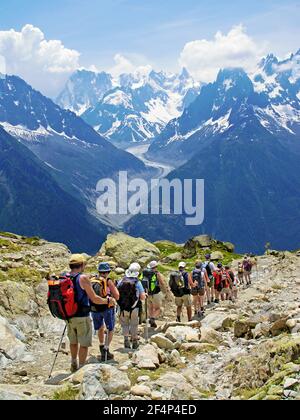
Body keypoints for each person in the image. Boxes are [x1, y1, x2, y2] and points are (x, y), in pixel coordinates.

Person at [66, 255, 116, 373]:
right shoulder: (82, 278)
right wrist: (108, 301)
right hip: (81, 315)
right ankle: (81, 369)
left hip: (68, 315)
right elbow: (94, 298)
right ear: (82, 265)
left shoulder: (66, 276)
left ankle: (73, 363)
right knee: (83, 343)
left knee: (73, 341)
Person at [90, 263, 120, 362]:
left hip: (94, 308)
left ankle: (101, 345)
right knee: (110, 328)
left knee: (100, 328)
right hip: (107, 308)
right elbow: (117, 296)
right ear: (107, 272)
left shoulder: (92, 279)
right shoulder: (108, 281)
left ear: (99, 271)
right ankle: (106, 349)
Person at [118, 263, 146, 350]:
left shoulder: (121, 281)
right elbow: (142, 297)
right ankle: (134, 341)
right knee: (134, 324)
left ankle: (126, 340)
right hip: (135, 307)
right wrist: (145, 294)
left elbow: (116, 294)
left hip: (122, 307)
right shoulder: (137, 282)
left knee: (124, 324)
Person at [142, 261, 166, 328]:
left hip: (147, 293)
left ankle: (151, 321)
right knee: (158, 308)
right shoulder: (156, 273)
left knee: (150, 307)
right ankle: (152, 319)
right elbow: (162, 283)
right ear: (156, 267)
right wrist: (165, 290)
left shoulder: (145, 273)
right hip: (156, 293)